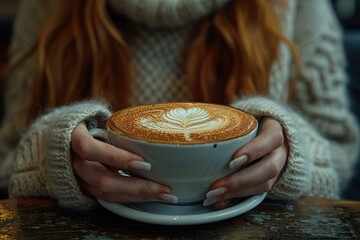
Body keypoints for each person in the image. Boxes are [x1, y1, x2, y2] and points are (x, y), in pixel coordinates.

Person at [0, 0, 358, 210]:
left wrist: (291, 156)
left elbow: (340, 152)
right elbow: (8, 161)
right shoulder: (45, 8)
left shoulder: (299, 7)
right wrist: (54, 157)